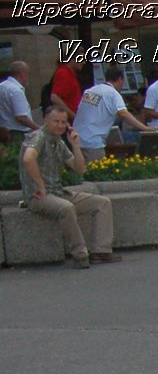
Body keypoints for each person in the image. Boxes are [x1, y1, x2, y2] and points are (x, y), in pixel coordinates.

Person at [19, 105, 119, 267]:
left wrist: (75, 145)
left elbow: (80, 168)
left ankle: (101, 251)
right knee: (66, 208)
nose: (59, 125)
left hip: (58, 192)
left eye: (63, 122)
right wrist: (40, 185)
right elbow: (28, 158)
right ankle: (80, 256)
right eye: (55, 121)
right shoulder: (38, 137)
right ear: (45, 120)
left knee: (102, 203)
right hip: (38, 196)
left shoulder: (58, 142)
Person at [73, 64, 156, 163]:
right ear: (120, 79)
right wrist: (144, 128)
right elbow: (123, 114)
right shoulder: (113, 94)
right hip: (93, 142)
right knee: (96, 173)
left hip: (76, 139)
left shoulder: (90, 91)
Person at [0, 60, 38, 139]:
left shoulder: (2, 86)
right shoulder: (16, 91)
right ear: (21, 73)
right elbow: (21, 117)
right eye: (27, 74)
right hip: (17, 133)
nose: (28, 78)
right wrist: (38, 128)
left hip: (4, 131)